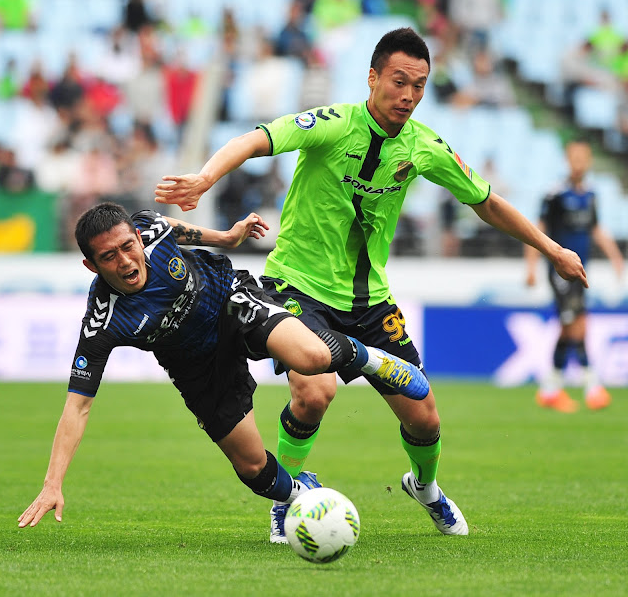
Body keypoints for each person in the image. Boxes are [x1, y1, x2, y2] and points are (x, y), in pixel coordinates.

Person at [154, 27, 588, 542]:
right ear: (373, 77)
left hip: (371, 303)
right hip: (297, 287)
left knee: (425, 417)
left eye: (420, 86)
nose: (408, 95)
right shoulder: (334, 124)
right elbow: (256, 139)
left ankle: (425, 488)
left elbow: (486, 202)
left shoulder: (423, 145)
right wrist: (205, 179)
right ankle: (286, 497)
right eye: (399, 81)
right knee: (314, 392)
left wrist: (552, 249)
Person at [18, 202, 427, 529]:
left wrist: (226, 237)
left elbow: (174, 228)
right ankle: (302, 497)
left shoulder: (149, 230)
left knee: (316, 358)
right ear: (92, 266)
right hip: (195, 364)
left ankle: (373, 360)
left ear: (137, 238)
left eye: (128, 246)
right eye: (109, 257)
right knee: (252, 468)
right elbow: (78, 406)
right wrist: (52, 483)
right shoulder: (102, 321)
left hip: (229, 300)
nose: (126, 262)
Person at [526, 140, 624, 412]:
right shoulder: (555, 194)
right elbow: (537, 229)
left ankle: (550, 390)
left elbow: (595, 229)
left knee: (571, 326)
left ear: (589, 161)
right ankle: (592, 386)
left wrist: (615, 257)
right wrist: (531, 266)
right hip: (560, 272)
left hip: (581, 273)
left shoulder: (591, 195)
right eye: (574, 158)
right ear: (567, 161)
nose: (579, 163)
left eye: (584, 158)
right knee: (576, 325)